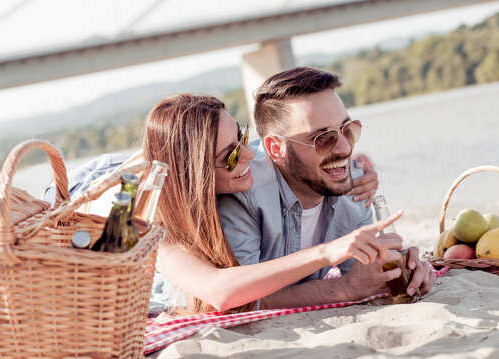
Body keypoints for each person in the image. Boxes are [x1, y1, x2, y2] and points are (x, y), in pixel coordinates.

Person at [44, 92, 396, 314]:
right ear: (194, 174)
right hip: (84, 194)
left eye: (241, 136)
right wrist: (328, 252)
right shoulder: (142, 215)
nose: (249, 154)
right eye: (229, 156)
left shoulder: (235, 173)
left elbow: (282, 155)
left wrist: (349, 170)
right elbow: (218, 291)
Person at [216, 67, 436, 309]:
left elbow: (359, 273)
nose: (343, 148)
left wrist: (400, 270)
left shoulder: (354, 183)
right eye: (322, 138)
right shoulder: (242, 191)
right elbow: (244, 298)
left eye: (347, 129)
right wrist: (344, 289)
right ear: (276, 149)